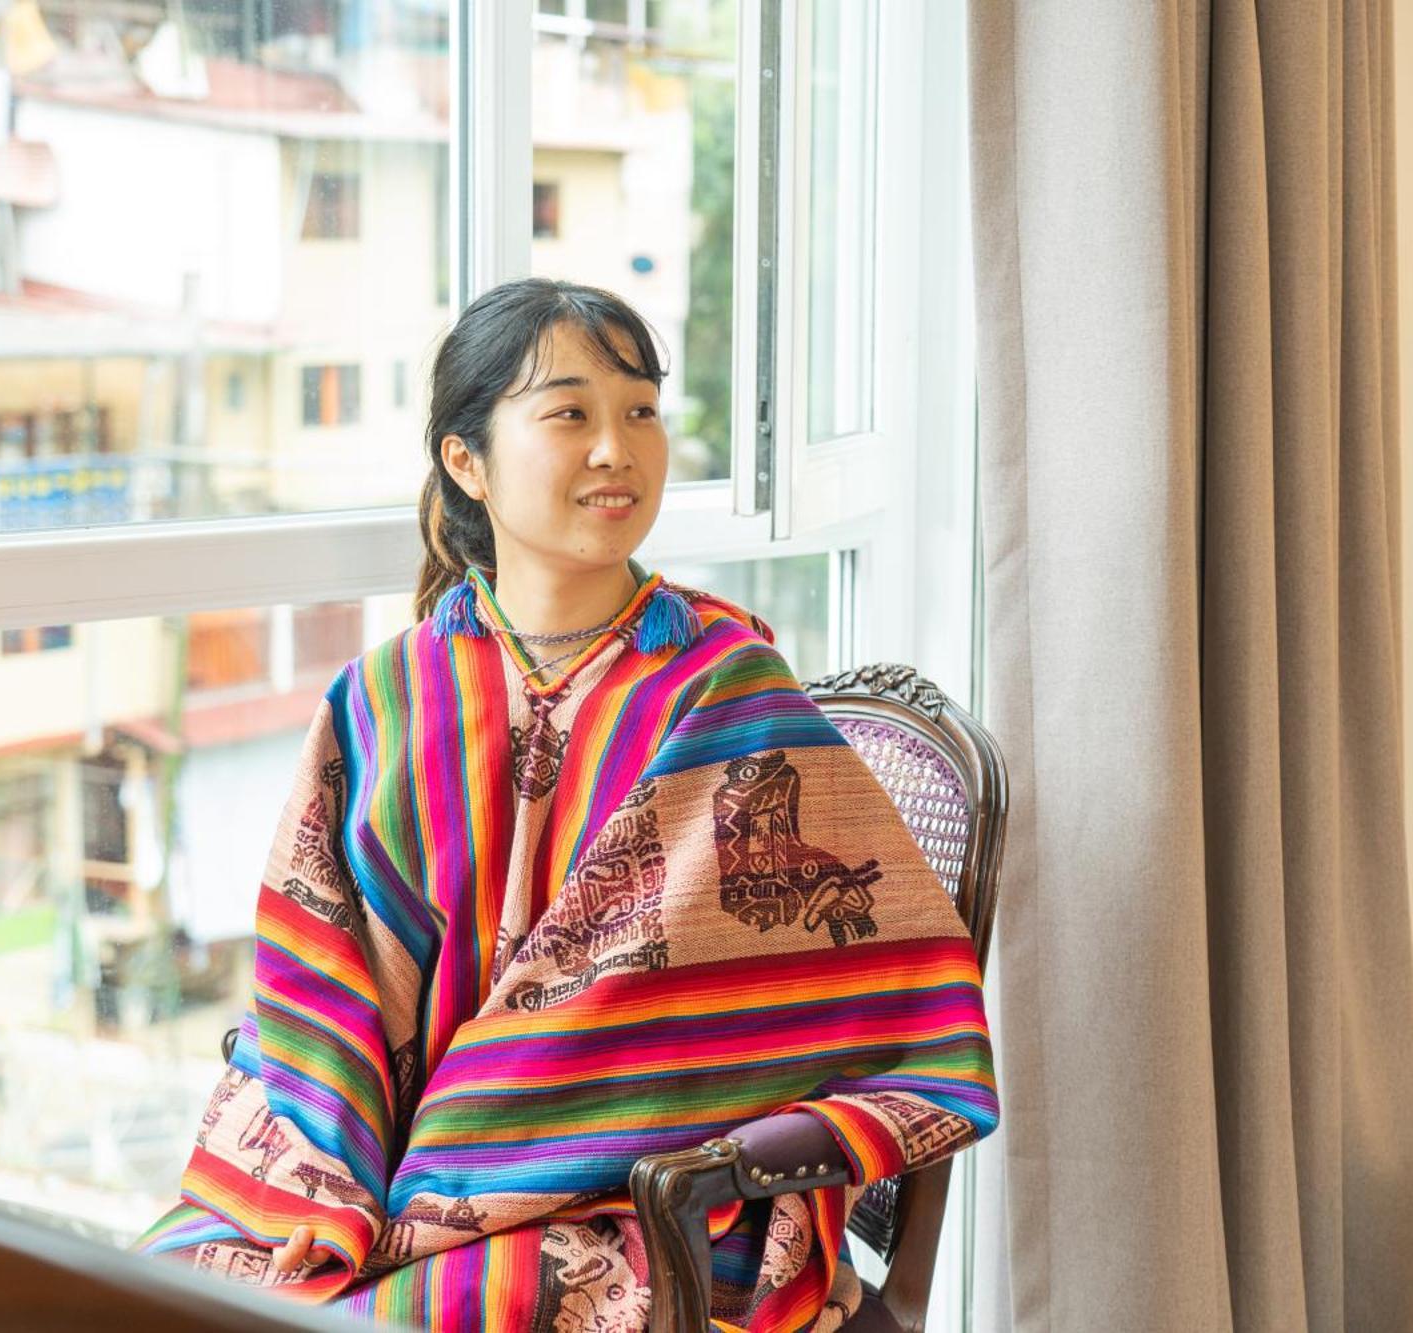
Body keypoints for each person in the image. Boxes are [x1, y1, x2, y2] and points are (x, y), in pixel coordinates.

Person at [134, 278, 998, 1332]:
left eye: (640, 411)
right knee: (162, 1287)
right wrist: (330, 1183)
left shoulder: (724, 692)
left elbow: (872, 981)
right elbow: (321, 970)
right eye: (570, 414)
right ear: (466, 461)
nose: (615, 449)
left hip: (648, 1196)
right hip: (376, 1180)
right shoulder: (386, 697)